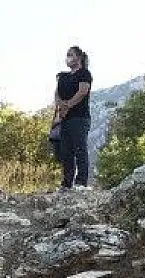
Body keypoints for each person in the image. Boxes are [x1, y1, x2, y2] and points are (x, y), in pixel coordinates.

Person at [53, 46, 93, 190]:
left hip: (79, 117)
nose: (68, 57)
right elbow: (57, 94)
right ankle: (67, 182)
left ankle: (81, 182)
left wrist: (68, 105)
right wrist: (61, 107)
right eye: (67, 55)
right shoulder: (63, 76)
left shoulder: (84, 73)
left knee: (80, 148)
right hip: (65, 119)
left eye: (71, 54)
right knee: (66, 151)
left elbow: (82, 91)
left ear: (79, 57)